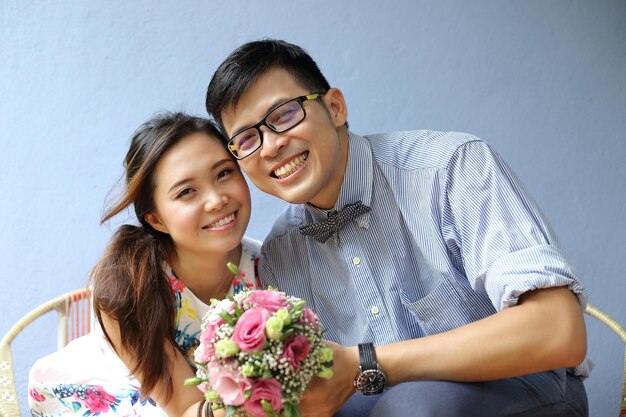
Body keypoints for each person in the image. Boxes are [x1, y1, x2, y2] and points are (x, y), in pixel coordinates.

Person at [205, 39, 592, 417]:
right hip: (383, 406)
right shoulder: (279, 255)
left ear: (335, 107)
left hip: (525, 389)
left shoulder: (450, 167)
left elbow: (559, 331)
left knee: (411, 405)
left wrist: (366, 362)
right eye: (247, 139)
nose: (270, 146)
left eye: (284, 115)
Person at [28, 112, 261, 417]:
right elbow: (186, 408)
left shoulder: (270, 265)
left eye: (223, 174)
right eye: (186, 192)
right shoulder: (130, 284)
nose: (216, 200)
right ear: (155, 218)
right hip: (124, 390)